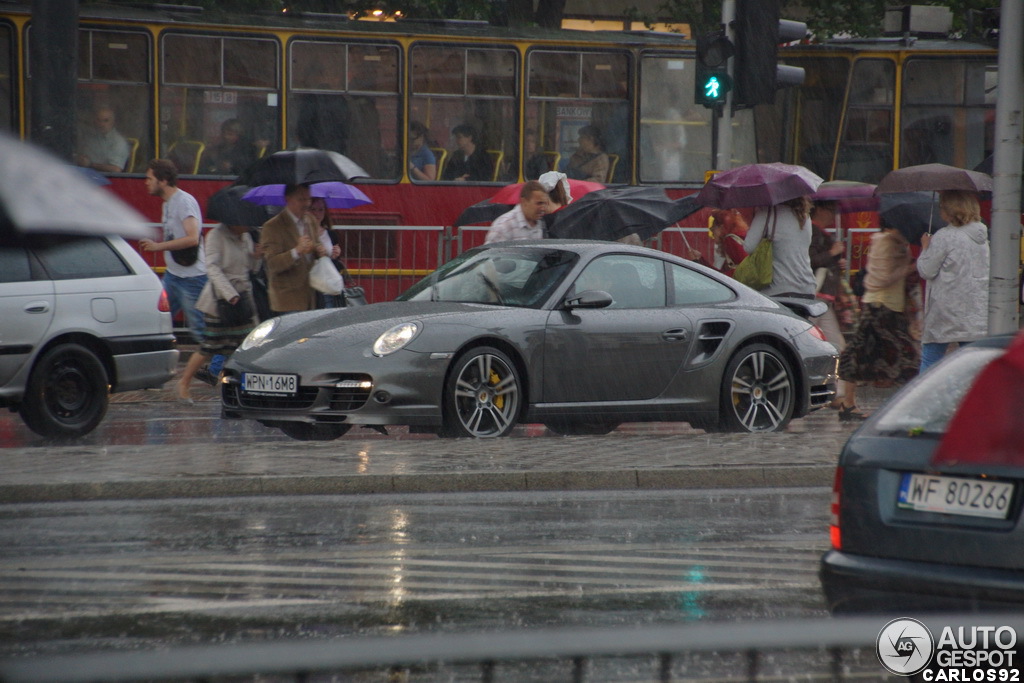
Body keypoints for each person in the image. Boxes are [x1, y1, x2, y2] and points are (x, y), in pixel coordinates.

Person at [836, 226, 920, 421]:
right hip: (880, 307)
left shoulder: (896, 243)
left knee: (865, 354)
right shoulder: (886, 242)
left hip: (891, 307)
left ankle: (849, 405)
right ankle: (849, 404)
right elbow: (880, 279)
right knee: (905, 358)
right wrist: (907, 268)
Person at [177, 223, 262, 403]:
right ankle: (183, 383)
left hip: (243, 301)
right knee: (210, 346)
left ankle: (246, 390)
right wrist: (229, 294)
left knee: (246, 345)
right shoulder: (216, 235)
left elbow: (251, 268)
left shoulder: (245, 236)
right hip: (220, 302)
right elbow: (213, 268)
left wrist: (257, 256)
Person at [915, 189, 990, 374]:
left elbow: (926, 271)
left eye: (942, 207)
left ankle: (927, 401)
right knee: (970, 367)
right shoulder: (982, 238)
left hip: (945, 310)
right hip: (975, 310)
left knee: (930, 361)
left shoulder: (945, 236)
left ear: (950, 210)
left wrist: (925, 248)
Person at [139, 158, 208, 342]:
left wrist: (158, 247)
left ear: (163, 180)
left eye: (149, 178)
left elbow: (192, 238)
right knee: (158, 320)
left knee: (201, 332)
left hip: (192, 277)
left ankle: (219, 369)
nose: (146, 183)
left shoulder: (184, 201)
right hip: (173, 275)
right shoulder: (167, 204)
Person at [260, 183, 326, 315]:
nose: (307, 203)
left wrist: (319, 251)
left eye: (308, 199)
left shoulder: (310, 221)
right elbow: (272, 264)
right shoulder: (273, 227)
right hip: (287, 301)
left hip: (310, 298)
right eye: (301, 199)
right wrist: (296, 251)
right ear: (288, 199)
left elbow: (316, 247)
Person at [808, 200, 850, 406]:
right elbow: (811, 260)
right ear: (820, 209)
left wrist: (836, 261)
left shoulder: (819, 233)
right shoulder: (813, 232)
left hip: (823, 298)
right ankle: (833, 392)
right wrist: (833, 254)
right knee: (830, 344)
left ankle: (833, 392)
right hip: (818, 296)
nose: (833, 214)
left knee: (833, 344)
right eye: (831, 210)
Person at [742, 196, 816, 297]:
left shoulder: (767, 213)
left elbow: (749, 247)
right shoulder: (805, 216)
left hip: (779, 289)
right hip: (808, 289)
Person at [307, 196, 349, 309]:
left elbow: (334, 264)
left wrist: (335, 256)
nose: (317, 213)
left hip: (327, 286)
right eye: (313, 209)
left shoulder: (330, 234)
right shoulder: (302, 232)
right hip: (309, 287)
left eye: (321, 209)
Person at [688, 208, 748, 277]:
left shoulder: (730, 241)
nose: (711, 230)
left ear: (722, 227)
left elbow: (745, 269)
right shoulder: (733, 239)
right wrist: (701, 260)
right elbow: (721, 274)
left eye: (713, 226)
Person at [484, 180, 549, 244]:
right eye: (539, 203)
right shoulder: (504, 226)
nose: (543, 208)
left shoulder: (540, 224)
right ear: (524, 202)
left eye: (545, 203)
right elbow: (489, 253)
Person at [75, 105, 131, 173]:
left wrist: (90, 164)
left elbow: (116, 169)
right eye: (99, 120)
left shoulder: (119, 142)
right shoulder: (90, 137)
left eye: (106, 120)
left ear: (113, 122)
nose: (101, 124)